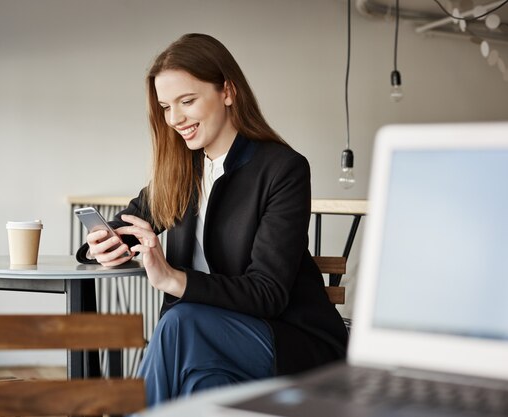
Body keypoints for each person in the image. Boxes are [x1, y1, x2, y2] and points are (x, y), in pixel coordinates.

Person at [76, 33, 349, 407]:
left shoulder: (282, 169)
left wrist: (173, 278)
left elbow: (267, 293)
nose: (175, 119)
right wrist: (101, 245)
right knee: (201, 385)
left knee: (179, 322)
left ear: (228, 92)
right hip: (203, 345)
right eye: (165, 107)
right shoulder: (180, 171)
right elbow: (123, 226)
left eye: (187, 101)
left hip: (288, 342)